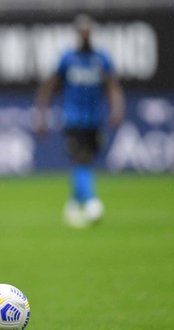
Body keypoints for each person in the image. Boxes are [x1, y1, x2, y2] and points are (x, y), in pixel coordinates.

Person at [34, 13, 125, 228]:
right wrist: (41, 114)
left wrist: (117, 108)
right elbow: (49, 86)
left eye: (88, 31)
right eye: (81, 32)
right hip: (73, 119)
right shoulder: (68, 59)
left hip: (95, 120)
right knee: (80, 160)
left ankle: (73, 207)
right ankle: (92, 202)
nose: (85, 35)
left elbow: (112, 86)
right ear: (77, 34)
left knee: (86, 161)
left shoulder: (101, 58)